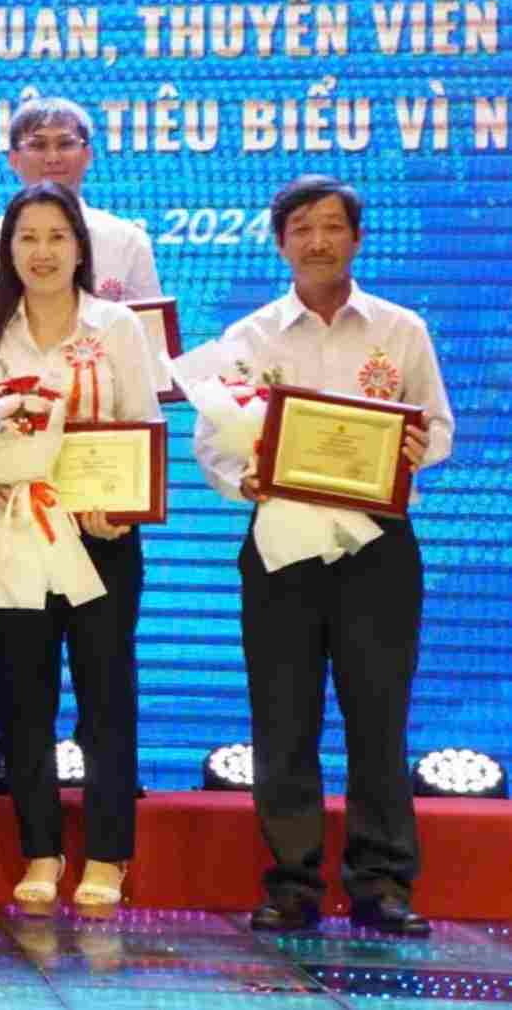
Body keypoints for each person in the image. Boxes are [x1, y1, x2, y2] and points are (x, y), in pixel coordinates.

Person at [193, 175, 451, 937]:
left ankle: (382, 883)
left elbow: (437, 427)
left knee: (378, 715)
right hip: (281, 547)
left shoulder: (399, 330)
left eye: (331, 227)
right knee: (282, 716)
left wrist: (410, 449)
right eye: (301, 228)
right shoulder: (248, 339)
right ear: (280, 244)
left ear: (355, 239)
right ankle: (292, 883)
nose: (316, 241)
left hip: (376, 543)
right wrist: (238, 477)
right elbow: (212, 441)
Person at [0, 98, 162, 796]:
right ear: (10, 155)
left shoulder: (125, 242)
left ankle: (108, 779)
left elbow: (148, 376)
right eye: (33, 143)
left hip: (100, 507)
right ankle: (11, 755)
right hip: (14, 506)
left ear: (88, 152)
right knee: (14, 652)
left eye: (63, 142)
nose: (48, 154)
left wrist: (123, 495)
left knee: (105, 655)